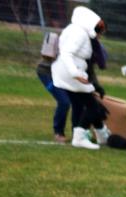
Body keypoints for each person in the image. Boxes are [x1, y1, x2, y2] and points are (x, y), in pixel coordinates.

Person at [49, 5, 105, 150]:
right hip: (72, 73)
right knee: (92, 106)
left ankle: (100, 134)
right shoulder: (79, 33)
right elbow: (67, 54)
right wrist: (76, 74)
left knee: (82, 103)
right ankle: (80, 138)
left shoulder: (73, 30)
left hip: (68, 72)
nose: (99, 33)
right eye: (98, 29)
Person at [35, 27, 72, 142]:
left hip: (61, 75)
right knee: (64, 102)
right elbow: (48, 56)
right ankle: (58, 132)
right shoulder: (57, 40)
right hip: (46, 73)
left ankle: (79, 132)